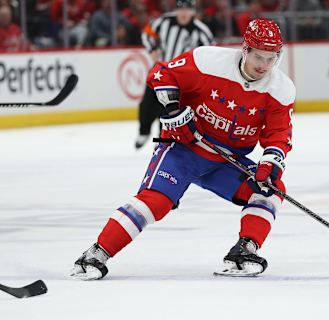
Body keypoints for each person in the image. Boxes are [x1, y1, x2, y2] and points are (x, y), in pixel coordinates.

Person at [70, 18, 295, 280]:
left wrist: (270, 166)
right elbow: (161, 74)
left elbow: (278, 135)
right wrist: (174, 110)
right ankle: (96, 254)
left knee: (270, 190)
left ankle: (245, 250)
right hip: (183, 150)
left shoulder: (280, 88)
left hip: (226, 160)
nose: (264, 65)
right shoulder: (208, 61)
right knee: (156, 202)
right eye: (259, 56)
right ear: (245, 49)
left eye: (271, 58)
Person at [134, 0, 215, 149]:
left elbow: (210, 54)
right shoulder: (164, 22)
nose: (183, 13)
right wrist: (152, 49)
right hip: (159, 71)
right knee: (147, 104)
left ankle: (161, 142)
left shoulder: (201, 31)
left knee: (167, 110)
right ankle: (143, 132)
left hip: (180, 78)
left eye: (187, 10)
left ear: (193, 12)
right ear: (176, 10)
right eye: (180, 10)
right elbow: (147, 33)